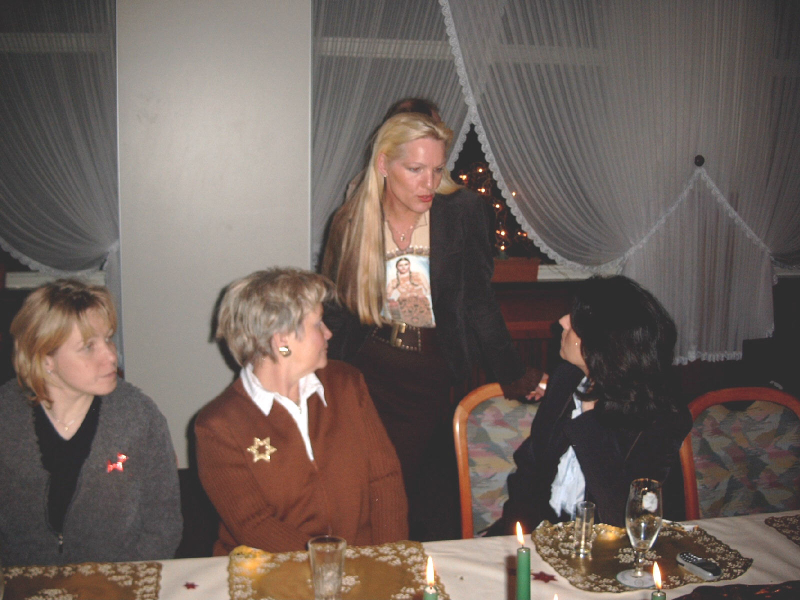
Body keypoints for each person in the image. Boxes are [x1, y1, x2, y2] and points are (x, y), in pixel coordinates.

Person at [321, 112, 541, 541]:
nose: (429, 183)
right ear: (384, 165)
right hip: (367, 368)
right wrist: (320, 377)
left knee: (406, 489)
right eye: (415, 169)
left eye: (438, 169)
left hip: (429, 370)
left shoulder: (461, 212)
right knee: (359, 485)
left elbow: (478, 299)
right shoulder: (351, 220)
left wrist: (514, 372)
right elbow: (335, 308)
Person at [195, 268, 407, 554]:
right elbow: (254, 525)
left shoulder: (346, 384)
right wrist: (330, 566)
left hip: (362, 563)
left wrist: (390, 558)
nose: (328, 332)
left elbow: (385, 479)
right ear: (282, 340)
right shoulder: (219, 427)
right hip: (271, 571)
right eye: (318, 324)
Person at [488, 275, 692, 535]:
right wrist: (518, 537)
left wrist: (592, 422)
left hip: (607, 549)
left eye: (576, 320)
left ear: (604, 342)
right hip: (538, 535)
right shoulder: (567, 379)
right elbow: (530, 467)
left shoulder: (660, 418)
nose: (563, 321)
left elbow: (627, 518)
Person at [0, 279, 182, 566]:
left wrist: (124, 579)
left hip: (118, 579)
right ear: (45, 358)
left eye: (108, 339)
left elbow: (163, 522)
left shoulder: (138, 416)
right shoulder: (6, 418)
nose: (111, 355)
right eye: (88, 347)